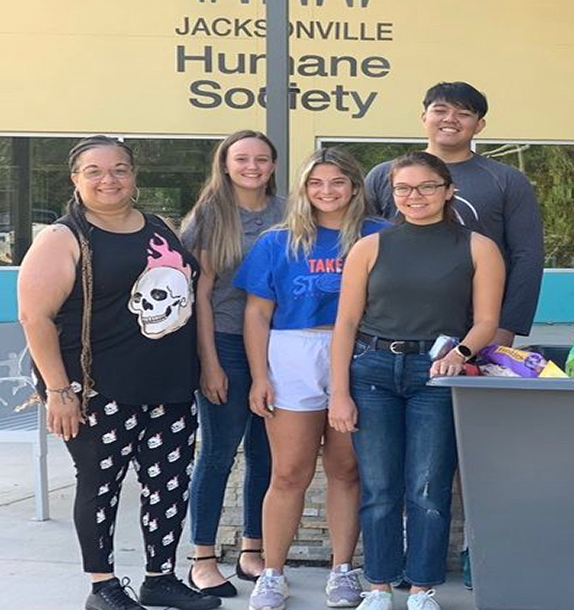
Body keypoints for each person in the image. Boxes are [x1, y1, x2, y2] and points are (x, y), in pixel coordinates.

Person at [17, 136, 219, 610]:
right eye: (94, 171)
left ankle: (160, 578)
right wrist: (59, 391)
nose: (109, 179)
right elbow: (35, 317)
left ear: (133, 175)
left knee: (168, 483)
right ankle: (102, 585)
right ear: (76, 179)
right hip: (97, 389)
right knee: (100, 485)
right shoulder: (63, 238)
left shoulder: (159, 227)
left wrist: (206, 365)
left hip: (169, 384)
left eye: (119, 169)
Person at [328, 151, 505, 610]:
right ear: (393, 194)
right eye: (404, 188)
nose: (415, 196)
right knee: (379, 487)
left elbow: (486, 321)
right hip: (372, 371)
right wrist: (339, 393)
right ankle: (380, 587)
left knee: (428, 488)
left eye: (427, 186)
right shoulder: (369, 247)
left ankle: (422, 588)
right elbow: (346, 323)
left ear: (448, 190)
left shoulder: (478, 247)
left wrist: (459, 354)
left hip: (436, 375)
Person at [235, 148, 389, 610]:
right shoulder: (278, 241)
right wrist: (259, 376)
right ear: (302, 188)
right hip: (293, 352)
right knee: (288, 472)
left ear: (355, 187)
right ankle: (272, 573)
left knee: (346, 469)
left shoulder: (380, 235)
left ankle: (342, 569)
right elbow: (257, 313)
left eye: (338, 181)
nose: (327, 191)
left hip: (360, 352)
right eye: (316, 182)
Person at [181, 130, 286, 596]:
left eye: (261, 159)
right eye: (242, 158)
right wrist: (209, 361)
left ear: (273, 165)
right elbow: (200, 293)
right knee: (219, 451)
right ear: (225, 164)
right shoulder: (209, 215)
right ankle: (202, 557)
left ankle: (252, 550)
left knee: (267, 452)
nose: (252, 167)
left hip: (279, 345)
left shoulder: (289, 212)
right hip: (225, 342)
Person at [364, 81, 543, 347]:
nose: (450, 119)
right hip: (391, 328)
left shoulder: (507, 180)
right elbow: (360, 248)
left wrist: (507, 326)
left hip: (475, 328)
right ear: (424, 117)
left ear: (479, 125)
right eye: (440, 110)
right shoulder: (384, 175)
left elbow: (527, 256)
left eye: (463, 113)